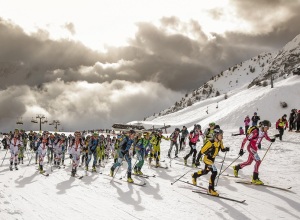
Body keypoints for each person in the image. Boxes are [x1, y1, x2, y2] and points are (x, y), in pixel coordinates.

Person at [233, 120, 275, 185]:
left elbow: (266, 137)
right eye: (267, 127)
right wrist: (241, 149)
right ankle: (255, 178)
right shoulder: (255, 132)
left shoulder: (264, 132)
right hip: (250, 148)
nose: (268, 129)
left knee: (249, 162)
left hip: (255, 149)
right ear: (263, 126)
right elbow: (245, 140)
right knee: (258, 161)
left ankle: (236, 167)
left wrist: (271, 140)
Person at [191, 129, 229, 196]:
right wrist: (196, 161)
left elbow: (222, 149)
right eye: (221, 135)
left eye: (222, 135)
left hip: (212, 159)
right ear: (216, 135)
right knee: (214, 172)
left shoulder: (220, 142)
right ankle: (210, 189)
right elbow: (201, 152)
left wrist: (225, 149)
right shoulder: (209, 142)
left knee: (206, 172)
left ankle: (194, 175)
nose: (222, 136)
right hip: (207, 159)